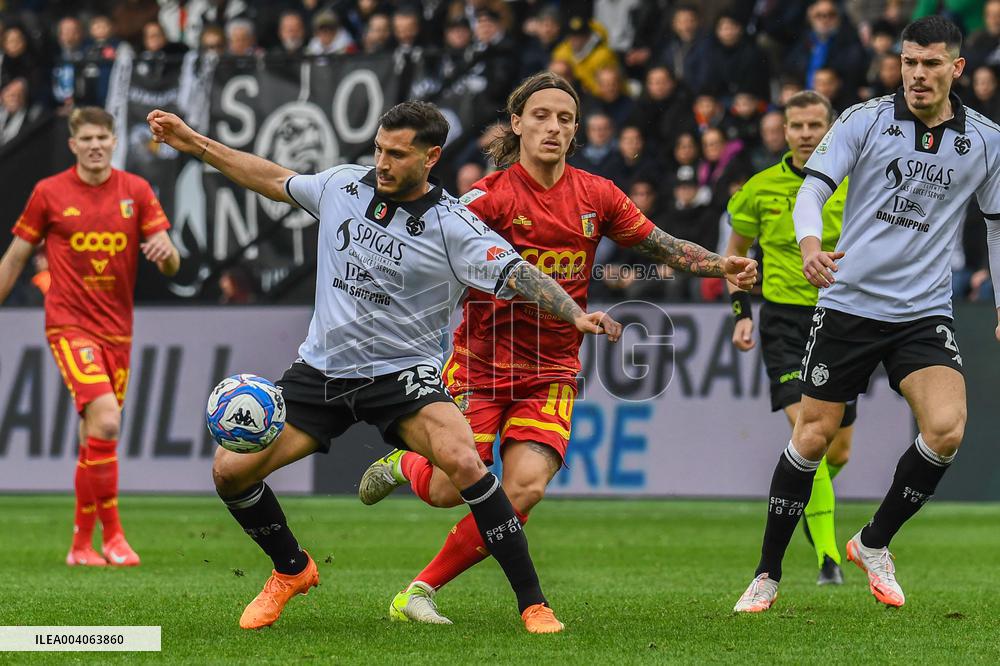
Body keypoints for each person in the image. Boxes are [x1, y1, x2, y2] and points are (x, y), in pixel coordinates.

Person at [146, 100, 622, 634]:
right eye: (378, 149)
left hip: (402, 377)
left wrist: (576, 314)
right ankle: (291, 570)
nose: (382, 163)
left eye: (396, 154)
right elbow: (275, 178)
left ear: (431, 157)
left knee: (465, 464)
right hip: (322, 373)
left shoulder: (454, 226)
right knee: (228, 472)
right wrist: (195, 143)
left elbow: (520, 275)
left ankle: (533, 604)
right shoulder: (343, 187)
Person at [356, 72, 757, 626]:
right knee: (449, 489)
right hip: (479, 367)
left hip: (552, 370)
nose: (554, 126)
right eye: (541, 115)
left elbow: (660, 245)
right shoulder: (488, 198)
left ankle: (419, 591)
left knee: (525, 488)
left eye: (565, 119)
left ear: (575, 133)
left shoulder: (597, 194)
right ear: (516, 124)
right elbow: (424, 248)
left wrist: (721, 263)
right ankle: (408, 464)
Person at [735, 16, 1000, 613]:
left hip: (923, 310)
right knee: (814, 437)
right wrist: (808, 243)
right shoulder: (865, 119)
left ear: (957, 69)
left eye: (931, 64)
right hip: (849, 305)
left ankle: (873, 543)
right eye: (909, 62)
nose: (917, 75)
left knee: (947, 428)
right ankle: (768, 573)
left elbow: (997, 224)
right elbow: (812, 188)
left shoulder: (984, 140)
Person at [0, 107, 180, 568]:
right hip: (68, 322)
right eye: (88, 138)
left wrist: (166, 255)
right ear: (73, 144)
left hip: (118, 330)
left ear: (114, 142)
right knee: (106, 422)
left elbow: (171, 262)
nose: (96, 145)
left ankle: (81, 545)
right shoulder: (50, 193)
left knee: (93, 437)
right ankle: (115, 536)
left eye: (103, 137)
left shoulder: (136, 191)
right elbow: (17, 256)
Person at [725, 90, 854, 586]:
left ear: (830, 127)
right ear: (783, 129)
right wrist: (742, 313)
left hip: (843, 320)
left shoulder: (855, 181)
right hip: (783, 321)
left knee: (837, 452)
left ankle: (798, 493)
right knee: (810, 435)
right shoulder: (759, 188)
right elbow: (734, 257)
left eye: (814, 124)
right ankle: (828, 560)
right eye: (796, 125)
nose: (805, 133)